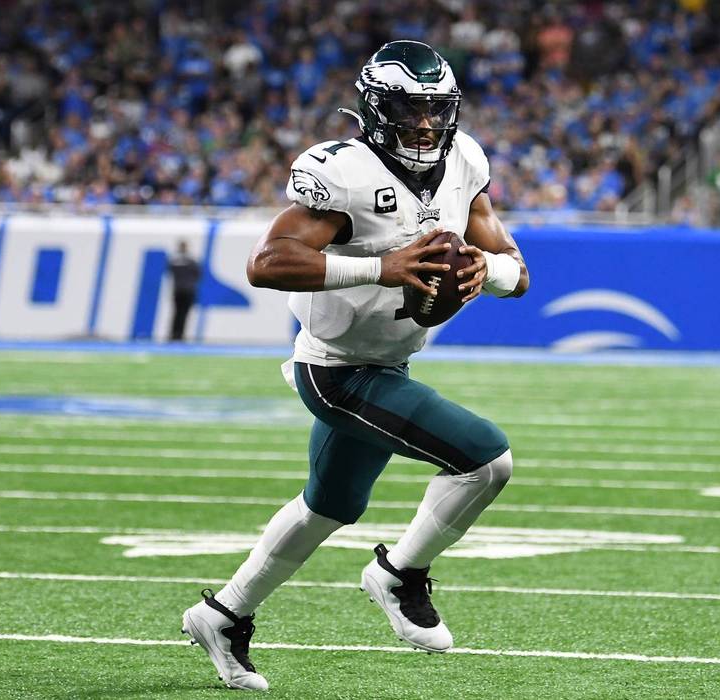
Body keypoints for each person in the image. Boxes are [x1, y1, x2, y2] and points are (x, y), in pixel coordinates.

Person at [180, 41, 529, 691]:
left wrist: (490, 271)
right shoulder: (342, 172)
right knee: (485, 460)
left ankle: (223, 614)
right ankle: (398, 574)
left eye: (435, 110)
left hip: (386, 364)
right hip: (338, 370)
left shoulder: (464, 162)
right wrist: (381, 267)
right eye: (406, 108)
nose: (424, 125)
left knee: (328, 506)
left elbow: (516, 270)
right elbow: (267, 263)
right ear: (373, 109)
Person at [166, 240, 201, 341]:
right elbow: (198, 274)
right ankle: (180, 335)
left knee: (176, 313)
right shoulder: (191, 261)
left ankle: (174, 334)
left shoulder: (173, 261)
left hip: (177, 289)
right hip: (189, 290)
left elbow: (169, 272)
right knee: (184, 313)